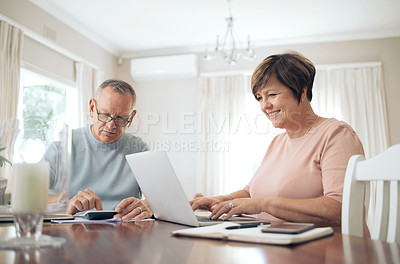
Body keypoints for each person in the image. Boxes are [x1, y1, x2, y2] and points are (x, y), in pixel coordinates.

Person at [190, 51, 364, 229]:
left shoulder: (336, 134)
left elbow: (341, 209)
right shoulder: (278, 142)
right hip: (278, 247)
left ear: (302, 91)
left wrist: (265, 204)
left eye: (272, 95)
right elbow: (251, 193)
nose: (264, 106)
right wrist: (219, 200)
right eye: (259, 97)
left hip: (324, 252)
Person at [43, 79, 151, 220]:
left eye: (121, 118)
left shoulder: (140, 150)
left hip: (124, 233)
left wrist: (148, 205)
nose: (111, 125)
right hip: (70, 231)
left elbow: (163, 199)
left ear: (131, 117)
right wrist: (64, 204)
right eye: (105, 115)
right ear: (92, 107)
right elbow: (29, 197)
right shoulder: (61, 147)